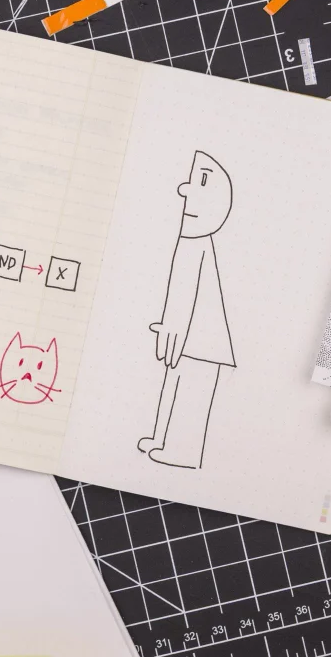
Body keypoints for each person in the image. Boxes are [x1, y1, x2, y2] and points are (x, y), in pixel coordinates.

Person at [140, 151, 236, 468]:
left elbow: (187, 295)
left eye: (200, 181)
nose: (184, 190)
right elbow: (178, 296)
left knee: (192, 392)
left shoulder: (196, 242)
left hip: (204, 343)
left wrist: (174, 328)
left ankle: (183, 451)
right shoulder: (188, 240)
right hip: (188, 338)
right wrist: (168, 326)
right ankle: (161, 437)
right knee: (173, 381)